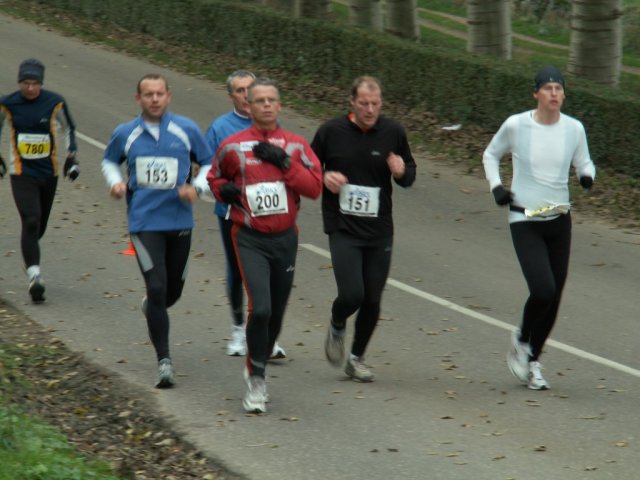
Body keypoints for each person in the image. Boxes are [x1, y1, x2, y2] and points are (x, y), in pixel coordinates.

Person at [207, 77, 322, 413]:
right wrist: (223, 190)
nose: (266, 105)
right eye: (259, 100)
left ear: (280, 105)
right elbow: (215, 177)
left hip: (285, 239)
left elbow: (314, 188)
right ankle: (256, 378)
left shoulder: (297, 145)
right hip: (250, 237)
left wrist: (285, 164)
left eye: (272, 100)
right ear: (248, 106)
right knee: (262, 308)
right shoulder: (232, 145)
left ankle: (257, 361)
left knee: (277, 314)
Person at [482, 66, 595, 390]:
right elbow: (491, 155)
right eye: (547, 88)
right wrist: (496, 187)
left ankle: (533, 361)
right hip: (525, 218)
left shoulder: (574, 128)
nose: (554, 93)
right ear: (536, 94)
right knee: (542, 289)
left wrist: (586, 176)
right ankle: (521, 338)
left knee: (555, 295)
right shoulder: (517, 125)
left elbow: (584, 161)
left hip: (559, 218)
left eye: (558, 88)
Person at [101, 73, 213, 388]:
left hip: (179, 221)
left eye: (159, 93)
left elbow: (208, 162)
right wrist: (116, 182)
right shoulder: (126, 133)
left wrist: (197, 186)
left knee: (171, 292)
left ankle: (152, 307)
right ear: (138, 99)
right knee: (158, 288)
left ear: (168, 96)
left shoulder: (186, 129)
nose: (154, 99)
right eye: (148, 94)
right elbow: (110, 161)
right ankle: (164, 361)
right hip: (144, 221)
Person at [311, 75, 417, 383]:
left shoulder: (393, 132)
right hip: (342, 225)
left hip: (379, 228)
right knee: (352, 293)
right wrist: (323, 177)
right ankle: (337, 322)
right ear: (352, 103)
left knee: (372, 298)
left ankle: (356, 358)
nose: (371, 110)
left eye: (376, 104)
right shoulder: (331, 132)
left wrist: (401, 171)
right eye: (364, 104)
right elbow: (305, 167)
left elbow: (409, 174)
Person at [198, 70, 286, 359]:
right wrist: (226, 189)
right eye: (239, 90)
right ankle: (238, 330)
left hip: (268, 213)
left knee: (269, 274)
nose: (246, 95)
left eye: (250, 89)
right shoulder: (221, 127)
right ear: (231, 96)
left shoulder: (272, 125)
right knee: (238, 272)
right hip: (232, 212)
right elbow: (208, 171)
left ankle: (267, 337)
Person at [0, 58, 80, 303]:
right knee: (31, 220)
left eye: (35, 83)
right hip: (22, 173)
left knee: (38, 228)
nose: (31, 88)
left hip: (49, 173)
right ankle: (35, 276)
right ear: (20, 82)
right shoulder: (8, 103)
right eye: (26, 83)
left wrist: (71, 157)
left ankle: (30, 255)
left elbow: (69, 129)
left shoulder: (54, 102)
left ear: (41, 84)